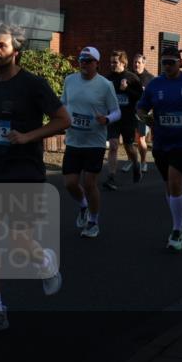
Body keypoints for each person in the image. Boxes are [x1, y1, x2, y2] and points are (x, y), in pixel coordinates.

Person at [0, 23, 68, 335]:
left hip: (24, 172)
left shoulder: (33, 84)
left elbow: (63, 120)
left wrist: (28, 136)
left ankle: (44, 261)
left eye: (1, 46)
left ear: (15, 51)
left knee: (19, 242)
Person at [136, 45, 182, 251]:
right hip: (162, 142)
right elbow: (141, 107)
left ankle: (177, 230)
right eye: (164, 62)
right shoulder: (155, 84)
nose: (167, 66)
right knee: (169, 186)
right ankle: (180, 222)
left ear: (180, 63)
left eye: (171, 62)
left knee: (175, 179)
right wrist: (144, 116)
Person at [61, 47, 120, 237]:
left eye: (88, 61)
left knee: (89, 183)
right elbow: (64, 104)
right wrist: (62, 119)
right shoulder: (69, 80)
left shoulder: (105, 85)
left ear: (96, 63)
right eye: (81, 60)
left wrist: (107, 119)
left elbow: (116, 111)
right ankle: (83, 206)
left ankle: (93, 221)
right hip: (73, 140)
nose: (84, 64)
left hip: (94, 142)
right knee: (70, 183)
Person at [103, 50, 143, 188]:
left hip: (128, 118)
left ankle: (136, 164)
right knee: (113, 145)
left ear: (123, 63)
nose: (112, 65)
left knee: (128, 146)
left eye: (115, 62)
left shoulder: (132, 78)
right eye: (111, 62)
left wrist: (127, 90)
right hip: (113, 118)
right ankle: (111, 177)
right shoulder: (107, 79)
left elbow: (140, 96)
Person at [130, 53, 154, 175]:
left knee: (140, 138)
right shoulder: (129, 76)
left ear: (144, 64)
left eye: (139, 62)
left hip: (143, 112)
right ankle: (132, 160)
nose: (136, 64)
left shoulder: (150, 78)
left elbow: (154, 96)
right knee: (129, 139)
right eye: (135, 62)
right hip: (129, 112)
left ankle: (144, 162)